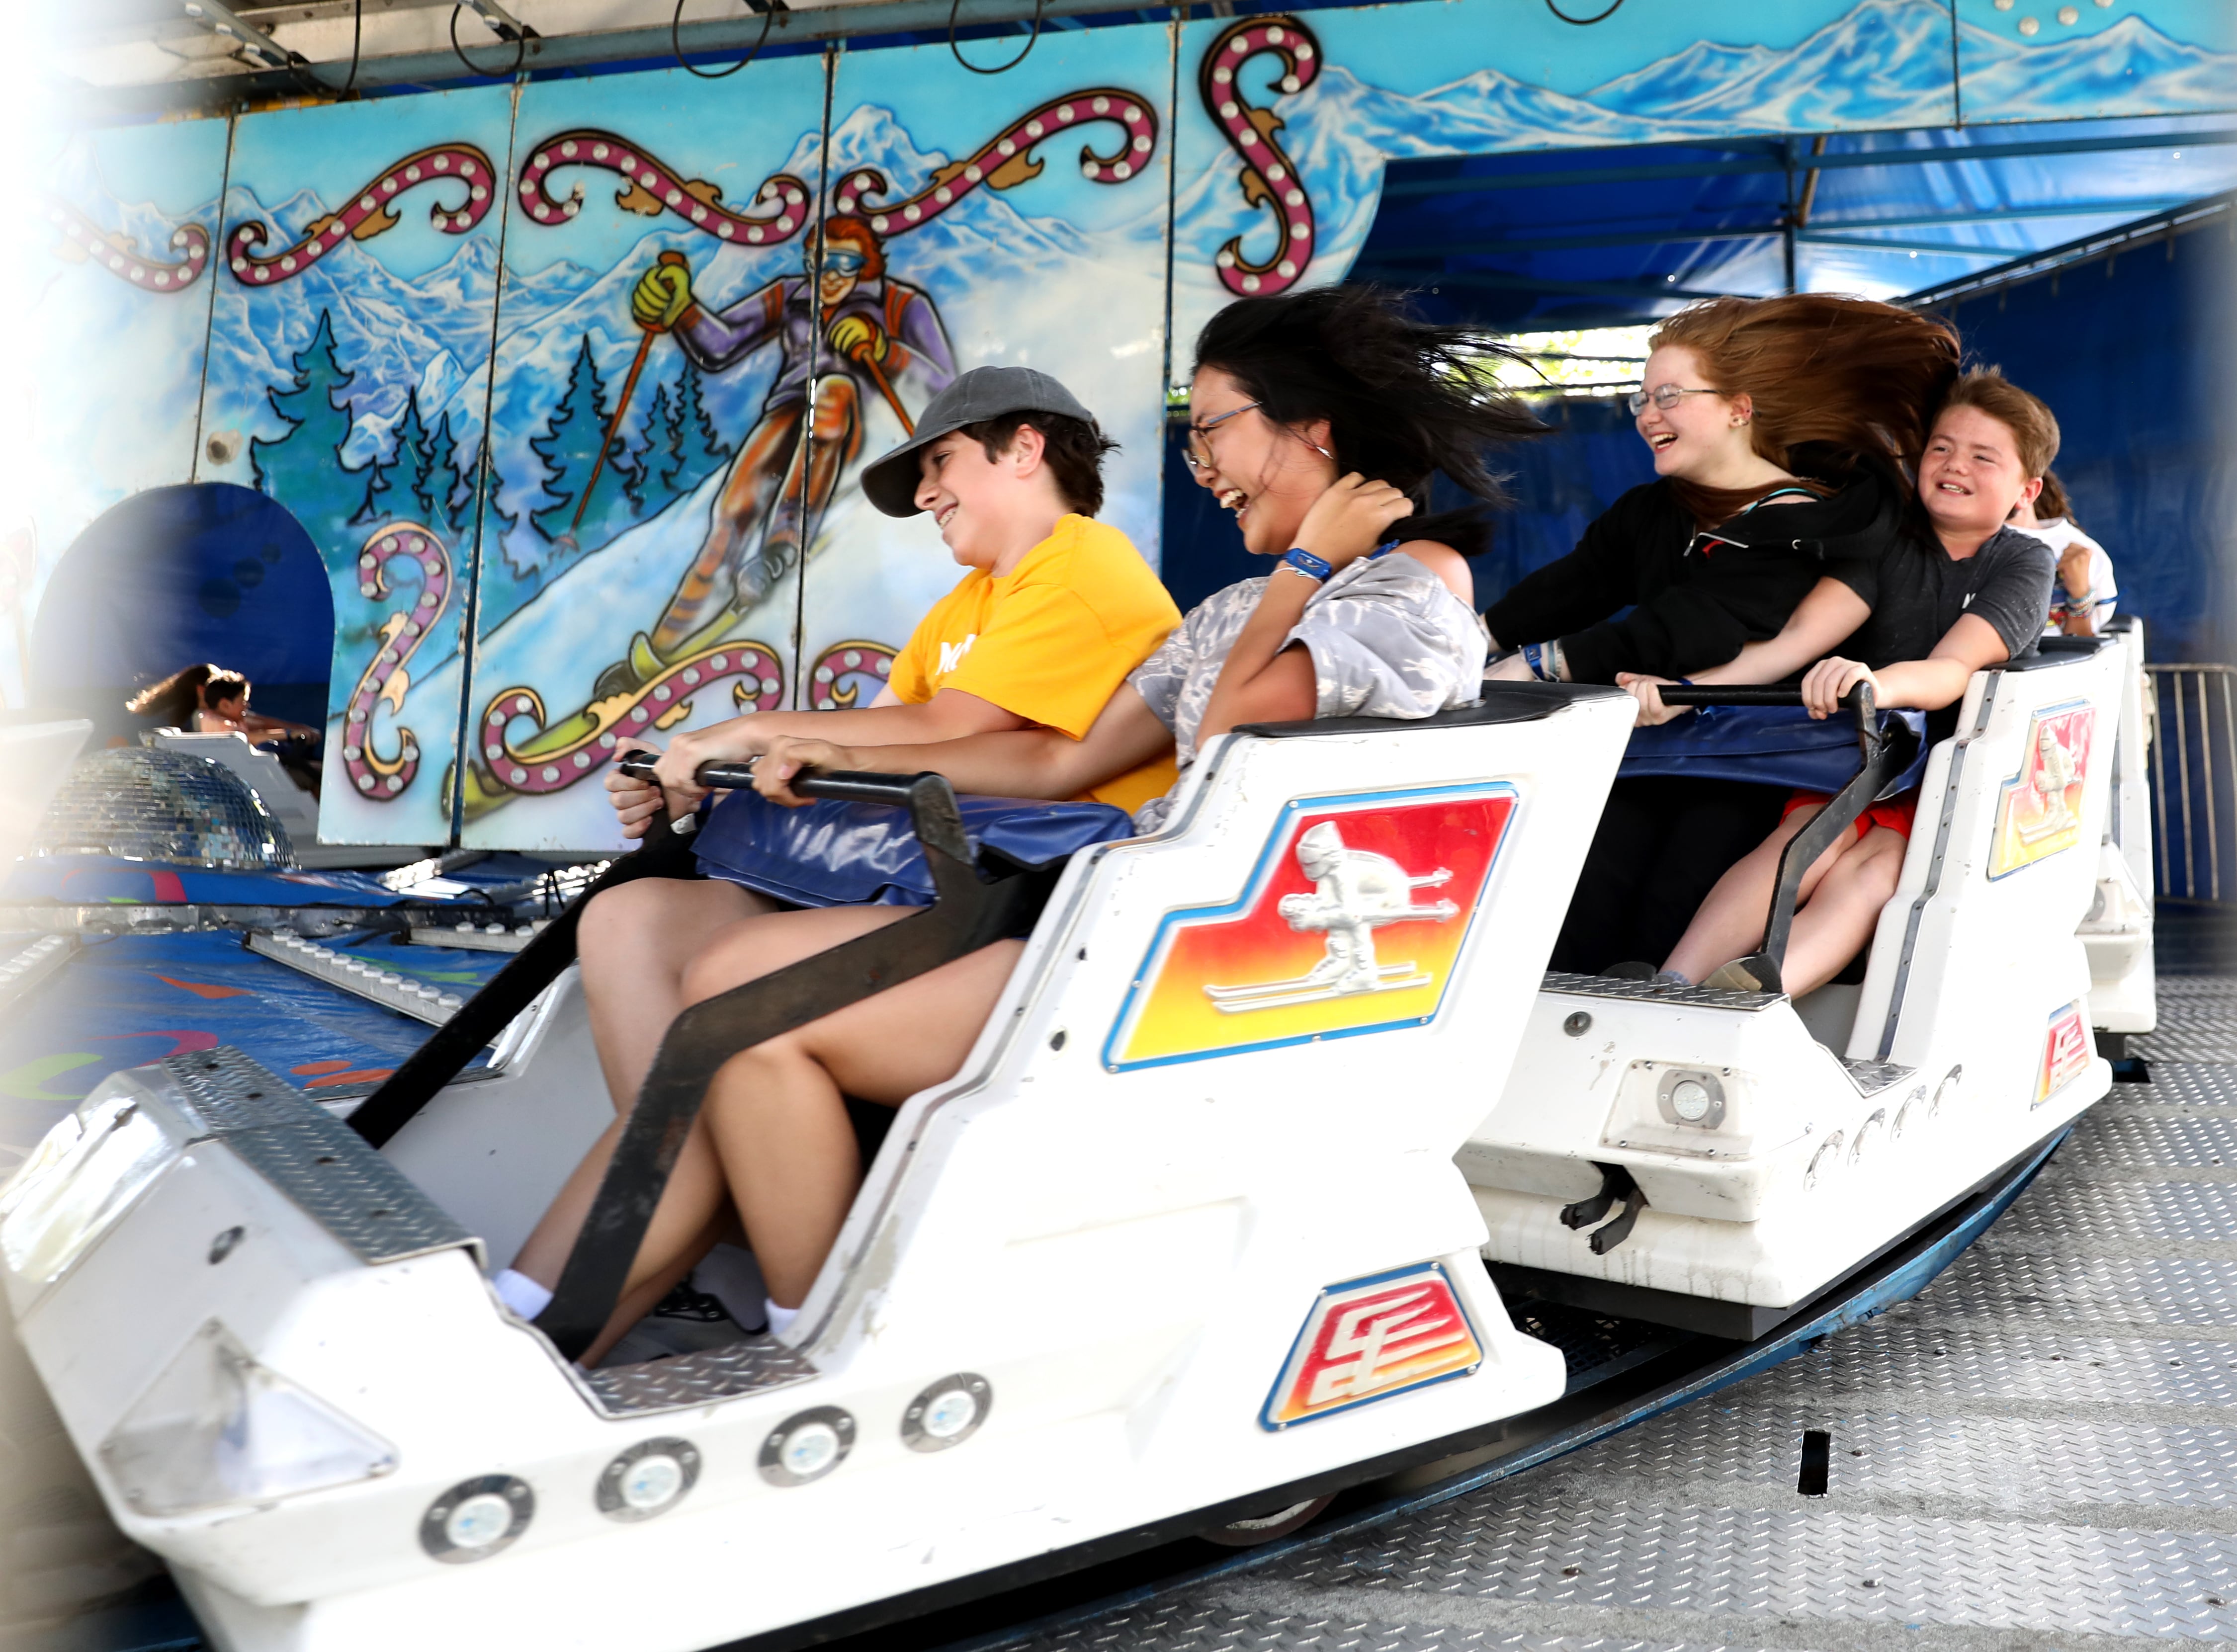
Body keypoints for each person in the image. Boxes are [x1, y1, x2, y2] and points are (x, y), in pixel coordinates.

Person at [503, 285, 1528, 1364]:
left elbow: (1231, 735)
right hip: (1128, 915)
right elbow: (1062, 758)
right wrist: (827, 753)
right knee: (707, 979)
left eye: (1214, 427)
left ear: (1310, 432)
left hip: (1181, 949)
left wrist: (1306, 565)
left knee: (745, 994)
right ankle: (695, 1327)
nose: (1201, 467)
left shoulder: (1417, 580)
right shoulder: (1233, 610)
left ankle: (814, 1345)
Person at [495, 366, 1179, 1335]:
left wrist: (744, 733)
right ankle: (707, 1195)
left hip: (1027, 909)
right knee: (627, 919)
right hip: (930, 881)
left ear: (1025, 449)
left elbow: (953, 730)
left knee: (737, 984)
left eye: (942, 461)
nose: (930, 494)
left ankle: (804, 1323)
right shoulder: (964, 610)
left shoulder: (1082, 565)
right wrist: (691, 780)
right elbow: (888, 746)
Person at [1485, 295, 1959, 974]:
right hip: (1651, 751)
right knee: (1582, 895)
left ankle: (1664, 1023)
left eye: (1669, 396)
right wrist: (1481, 634)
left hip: (1754, 763)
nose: (1649, 416)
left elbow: (1695, 629)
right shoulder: (1654, 512)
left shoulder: (1809, 525)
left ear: (1740, 408)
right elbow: (1574, 584)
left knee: (1674, 895)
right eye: (1642, 400)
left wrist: (1543, 664)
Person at [1645, 370, 2060, 995]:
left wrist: (1872, 682)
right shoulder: (1888, 543)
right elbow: (1793, 645)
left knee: (1875, 871)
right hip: (1859, 759)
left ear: (2025, 490)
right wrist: (1682, 690)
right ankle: (1673, 982)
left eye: (1983, 457)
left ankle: (1760, 994)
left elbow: (1951, 670)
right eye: (1943, 448)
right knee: (1808, 836)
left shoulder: (2023, 563)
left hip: (1954, 783)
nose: (1955, 465)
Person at [599, 216, 957, 696]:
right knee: (732, 513)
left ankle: (784, 542)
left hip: (858, 437)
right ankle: (657, 658)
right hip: (790, 415)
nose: (830, 274)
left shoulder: (900, 306)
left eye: (846, 263)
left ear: (866, 265)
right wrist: (681, 308)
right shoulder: (792, 296)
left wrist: (886, 350)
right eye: (821, 262)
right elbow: (721, 346)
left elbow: (951, 390)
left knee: (832, 392)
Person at [2014, 471, 2116, 637]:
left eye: (1983, 458)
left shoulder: (2084, 553)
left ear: (2030, 487)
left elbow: (2083, 650)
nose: (1959, 468)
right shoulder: (1967, 544)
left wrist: (2080, 595)